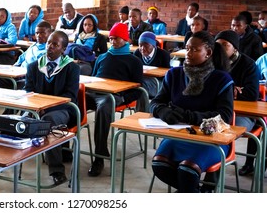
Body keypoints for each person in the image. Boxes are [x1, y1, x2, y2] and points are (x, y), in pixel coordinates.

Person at [0, 31, 80, 185]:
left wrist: (46, 106)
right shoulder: (35, 65)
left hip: (62, 110)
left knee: (49, 121)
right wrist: (35, 105)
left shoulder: (71, 68)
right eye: (49, 43)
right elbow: (29, 90)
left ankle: (56, 170)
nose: (50, 47)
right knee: (13, 122)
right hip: (34, 108)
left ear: (63, 49)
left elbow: (70, 95)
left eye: (55, 44)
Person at [150, 31, 234, 193]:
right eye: (187, 48)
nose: (188, 53)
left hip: (211, 138)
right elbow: (155, 102)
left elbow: (224, 116)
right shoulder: (174, 74)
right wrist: (163, 112)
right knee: (159, 165)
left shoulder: (221, 79)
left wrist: (188, 116)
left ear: (208, 53)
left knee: (187, 171)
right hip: (180, 134)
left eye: (194, 49)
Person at [86, 22, 143, 177]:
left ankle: (99, 156)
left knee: (105, 106)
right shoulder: (102, 57)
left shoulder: (134, 61)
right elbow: (92, 78)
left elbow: (138, 89)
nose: (113, 41)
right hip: (94, 93)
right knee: (71, 102)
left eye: (117, 38)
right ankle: (64, 149)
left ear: (125, 39)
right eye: (111, 38)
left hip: (114, 96)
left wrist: (124, 97)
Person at [214, 30, 260, 178]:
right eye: (218, 45)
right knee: (200, 131)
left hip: (243, 113)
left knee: (224, 134)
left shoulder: (248, 64)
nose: (220, 49)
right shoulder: (212, 62)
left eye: (225, 45)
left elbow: (252, 94)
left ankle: (212, 180)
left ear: (235, 48)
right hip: (218, 110)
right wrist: (233, 90)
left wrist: (225, 90)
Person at [0, 20, 52, 90]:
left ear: (50, 33)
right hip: (17, 73)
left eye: (42, 33)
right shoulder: (34, 46)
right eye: (37, 33)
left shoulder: (49, 50)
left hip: (27, 77)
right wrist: (13, 68)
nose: (39, 35)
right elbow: (21, 59)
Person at [133, 31, 170, 98]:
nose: (142, 48)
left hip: (157, 82)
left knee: (140, 87)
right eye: (140, 45)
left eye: (146, 45)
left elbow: (165, 75)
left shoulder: (163, 55)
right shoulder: (137, 53)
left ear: (153, 45)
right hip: (142, 79)